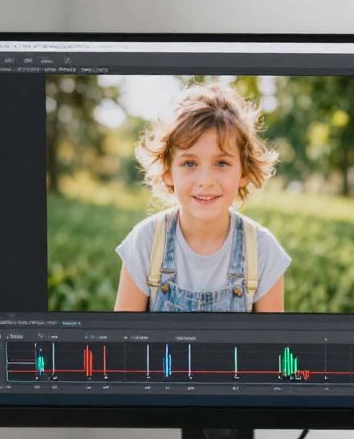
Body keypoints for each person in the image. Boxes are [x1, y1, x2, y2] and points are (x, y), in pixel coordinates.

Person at [114, 83, 290, 312]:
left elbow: (269, 335)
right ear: (168, 172)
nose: (205, 181)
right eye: (189, 163)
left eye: (221, 163)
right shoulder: (145, 242)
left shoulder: (263, 250)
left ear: (244, 173)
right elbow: (125, 332)